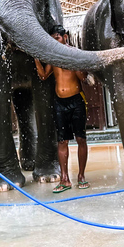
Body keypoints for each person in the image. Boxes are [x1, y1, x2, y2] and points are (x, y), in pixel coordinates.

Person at [34, 25, 89, 193]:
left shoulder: (73, 52)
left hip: (77, 101)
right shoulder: (52, 56)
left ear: (65, 37)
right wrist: (36, 58)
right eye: (52, 39)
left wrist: (70, 61)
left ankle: (81, 176)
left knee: (80, 139)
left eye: (57, 38)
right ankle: (64, 179)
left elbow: (83, 77)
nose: (55, 41)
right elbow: (43, 75)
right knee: (62, 141)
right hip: (60, 103)